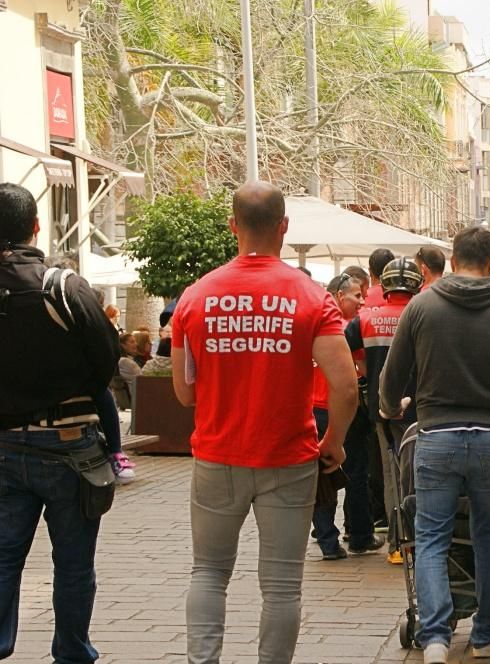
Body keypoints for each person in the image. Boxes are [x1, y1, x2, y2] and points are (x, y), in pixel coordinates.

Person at [170, 181, 358, 664]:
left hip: (216, 454)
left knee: (208, 572)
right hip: (288, 457)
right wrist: (334, 440)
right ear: (284, 227)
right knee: (280, 585)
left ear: (233, 226)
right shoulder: (312, 298)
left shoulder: (195, 297)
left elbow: (184, 392)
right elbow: (345, 385)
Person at [379, 227, 490, 663]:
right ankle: (487, 635)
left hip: (435, 436)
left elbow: (393, 375)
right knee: (488, 536)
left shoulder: (422, 306)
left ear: (453, 257)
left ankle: (434, 639)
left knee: (430, 538)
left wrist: (392, 406)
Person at [0, 182, 119, 663]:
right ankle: (71, 652)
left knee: (5, 554)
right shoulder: (61, 287)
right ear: (34, 227)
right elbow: (107, 356)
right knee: (73, 561)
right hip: (71, 445)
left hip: (5, 446)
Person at [345, 256, 423, 565]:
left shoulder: (366, 318)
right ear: (416, 285)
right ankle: (416, 540)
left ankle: (396, 543)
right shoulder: (422, 315)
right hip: (420, 409)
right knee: (417, 476)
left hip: (381, 410)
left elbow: (339, 345)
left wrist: (362, 369)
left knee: (392, 476)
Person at [310, 273, 383, 560]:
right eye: (357, 296)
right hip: (343, 411)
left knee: (322, 476)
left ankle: (328, 541)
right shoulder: (344, 329)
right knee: (355, 473)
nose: (362, 301)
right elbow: (362, 371)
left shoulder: (311, 325)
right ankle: (360, 536)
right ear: (340, 297)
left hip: (314, 410)